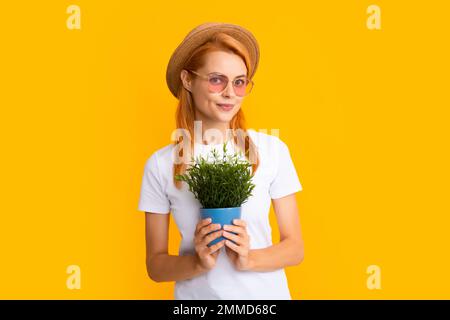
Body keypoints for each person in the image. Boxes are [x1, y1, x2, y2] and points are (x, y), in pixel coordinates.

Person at [138, 22, 304, 299]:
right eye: (217, 79)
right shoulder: (160, 165)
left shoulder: (271, 150)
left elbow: (295, 247)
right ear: (188, 80)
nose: (230, 93)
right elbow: (155, 265)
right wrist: (197, 262)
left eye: (239, 82)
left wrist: (249, 258)